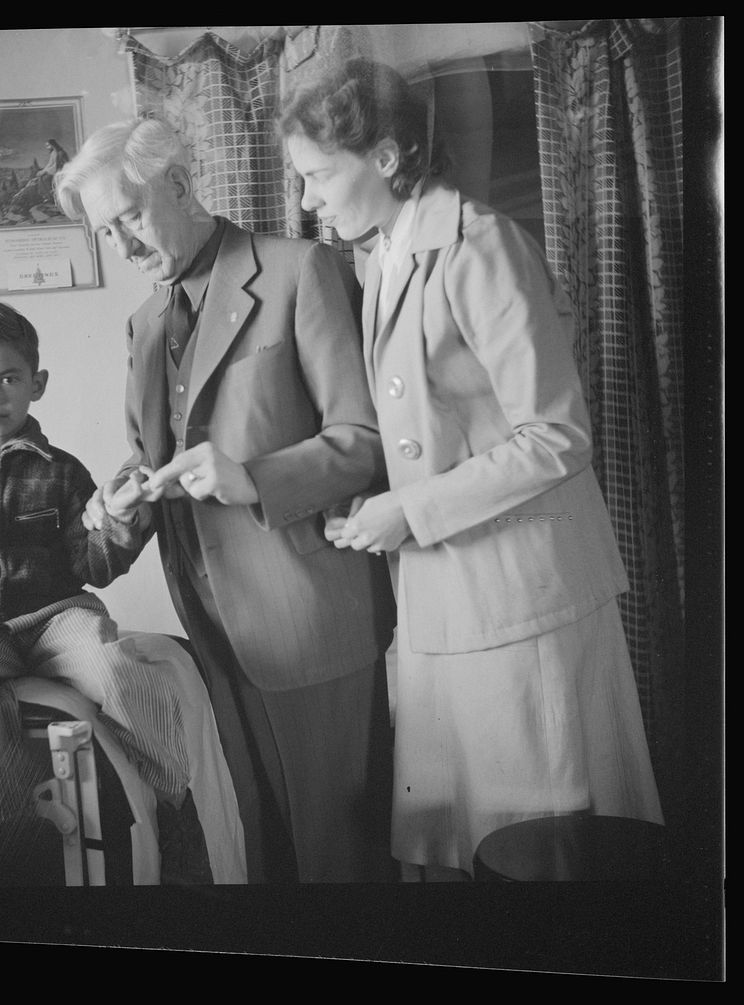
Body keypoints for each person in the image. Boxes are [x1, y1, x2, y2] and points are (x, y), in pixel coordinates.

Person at [279, 58, 664, 881]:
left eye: (316, 176)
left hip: (524, 593)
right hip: (449, 594)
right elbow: (429, 424)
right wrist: (366, 501)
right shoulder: (379, 255)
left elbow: (557, 434)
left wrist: (409, 512)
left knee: (539, 845)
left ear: (385, 158)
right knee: (470, 841)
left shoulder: (480, 244)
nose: (307, 201)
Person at [54, 117, 397, 884]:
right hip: (210, 634)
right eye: (106, 232)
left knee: (340, 863)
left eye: (131, 216)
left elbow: (367, 442)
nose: (124, 245)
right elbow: (160, 463)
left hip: (309, 621)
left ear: (179, 182)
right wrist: (122, 502)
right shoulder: (144, 324)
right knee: (265, 854)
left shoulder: (300, 270)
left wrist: (254, 477)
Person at [0, 300, 204, 885]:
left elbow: (92, 563)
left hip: (57, 617)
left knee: (114, 665)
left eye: (8, 379)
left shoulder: (63, 471)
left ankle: (171, 798)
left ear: (37, 384)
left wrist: (124, 522)